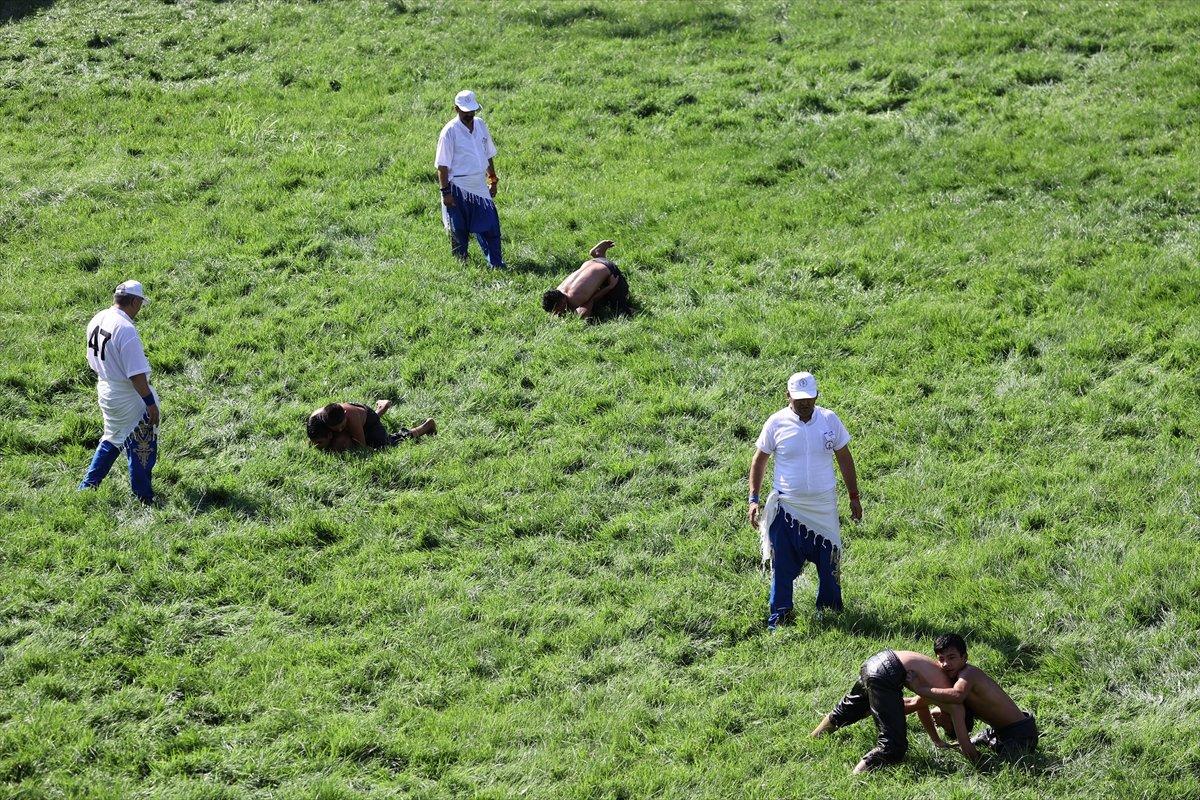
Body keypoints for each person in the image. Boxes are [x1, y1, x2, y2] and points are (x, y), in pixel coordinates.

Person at [747, 371, 861, 627]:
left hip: (823, 507)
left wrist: (854, 495)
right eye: (799, 399)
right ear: (787, 396)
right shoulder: (776, 422)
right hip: (787, 506)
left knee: (829, 561)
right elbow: (759, 461)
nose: (805, 403)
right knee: (782, 565)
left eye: (809, 397)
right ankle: (781, 615)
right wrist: (754, 498)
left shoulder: (829, 420)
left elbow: (844, 457)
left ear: (817, 395)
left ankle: (829, 612)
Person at [811, 648, 977, 773]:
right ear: (952, 721)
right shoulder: (952, 703)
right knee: (893, 747)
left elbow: (919, 705)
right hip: (888, 672)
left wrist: (936, 740)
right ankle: (855, 777)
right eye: (945, 726)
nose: (939, 724)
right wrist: (978, 761)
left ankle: (813, 739)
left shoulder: (942, 691)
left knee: (849, 709)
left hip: (876, 661)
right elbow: (966, 745)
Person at [78, 280, 160, 504]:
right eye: (140, 303)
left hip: (106, 389)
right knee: (142, 444)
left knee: (113, 438)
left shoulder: (98, 318)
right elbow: (136, 375)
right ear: (134, 301)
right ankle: (144, 496)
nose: (140, 308)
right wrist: (150, 403)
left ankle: (87, 486)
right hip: (128, 396)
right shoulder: (125, 329)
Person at [905, 633, 1040, 761]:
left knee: (1001, 763)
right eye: (941, 659)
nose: (946, 663)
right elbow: (920, 703)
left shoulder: (969, 674)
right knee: (966, 746)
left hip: (1020, 732)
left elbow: (957, 695)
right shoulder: (953, 678)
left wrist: (921, 688)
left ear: (964, 657)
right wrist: (937, 740)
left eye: (951, 657)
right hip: (997, 731)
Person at [435, 89, 504, 268]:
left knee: (490, 226)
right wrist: (445, 193)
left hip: (479, 185)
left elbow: (488, 154)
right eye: (465, 111)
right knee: (459, 229)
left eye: (472, 111)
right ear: (456, 109)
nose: (469, 115)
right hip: (457, 186)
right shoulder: (449, 132)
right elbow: (442, 166)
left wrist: (492, 179)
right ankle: (461, 264)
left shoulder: (480, 125)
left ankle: (496, 264)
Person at [541, 239, 631, 319]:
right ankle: (598, 254)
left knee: (620, 308)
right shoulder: (559, 289)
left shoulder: (575, 299)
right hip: (592, 262)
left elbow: (589, 306)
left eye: (557, 310)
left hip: (609, 269)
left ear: (561, 302)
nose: (556, 313)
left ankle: (630, 310)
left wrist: (610, 286)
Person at [306, 400, 435, 452]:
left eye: (342, 427)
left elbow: (362, 447)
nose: (340, 430)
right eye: (336, 429)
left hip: (368, 421)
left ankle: (426, 426)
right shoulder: (318, 420)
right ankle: (382, 408)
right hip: (354, 414)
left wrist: (374, 452)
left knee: (386, 444)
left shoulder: (352, 419)